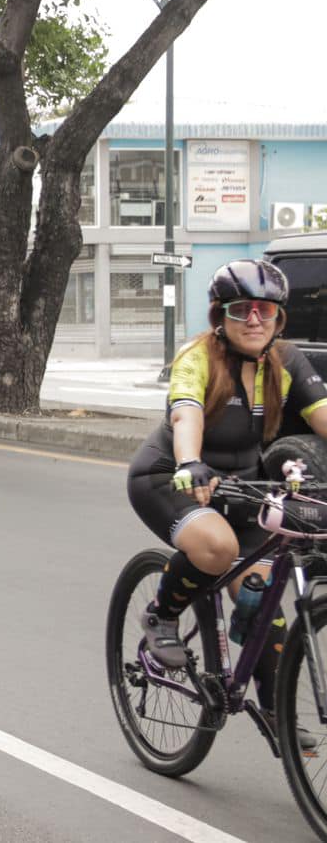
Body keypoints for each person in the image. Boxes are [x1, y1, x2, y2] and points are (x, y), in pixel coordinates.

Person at [130, 259, 327, 728]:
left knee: (263, 601)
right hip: (171, 478)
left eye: (265, 309)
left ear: (279, 318)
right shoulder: (197, 357)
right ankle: (161, 615)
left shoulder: (286, 361)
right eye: (242, 310)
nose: (255, 319)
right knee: (218, 548)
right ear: (221, 317)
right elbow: (186, 416)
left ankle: (280, 717)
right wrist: (189, 462)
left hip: (245, 486)